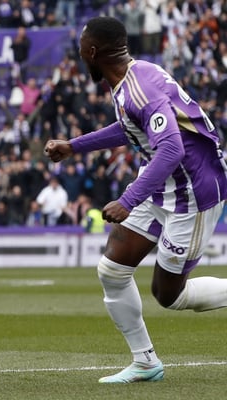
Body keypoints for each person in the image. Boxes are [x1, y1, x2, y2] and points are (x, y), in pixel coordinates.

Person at [44, 16, 227, 383]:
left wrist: (128, 199)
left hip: (192, 191)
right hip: (160, 182)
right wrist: (75, 146)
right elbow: (130, 126)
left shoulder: (139, 88)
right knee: (112, 270)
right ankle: (145, 362)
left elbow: (172, 148)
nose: (79, 56)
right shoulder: (133, 78)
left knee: (168, 294)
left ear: (92, 52)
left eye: (80, 50)